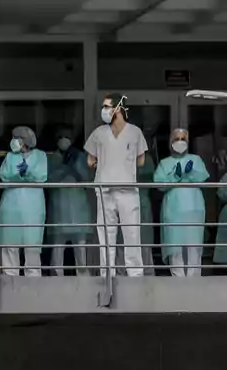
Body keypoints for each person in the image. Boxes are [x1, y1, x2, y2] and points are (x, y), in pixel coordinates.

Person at [85, 95, 148, 277]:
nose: (104, 111)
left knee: (132, 234)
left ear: (119, 108)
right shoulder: (98, 133)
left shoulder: (134, 132)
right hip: (104, 191)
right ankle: (107, 275)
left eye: (107, 107)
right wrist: (106, 165)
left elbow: (141, 160)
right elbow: (90, 160)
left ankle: (135, 275)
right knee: (105, 235)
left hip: (128, 190)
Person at [155, 128, 209, 277]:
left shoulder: (196, 160)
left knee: (194, 247)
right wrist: (175, 177)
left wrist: (190, 173)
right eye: (176, 139)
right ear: (170, 143)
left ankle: (194, 279)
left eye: (183, 139)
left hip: (194, 209)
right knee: (175, 247)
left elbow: (202, 177)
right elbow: (159, 184)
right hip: (173, 211)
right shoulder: (165, 163)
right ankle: (178, 279)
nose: (180, 142)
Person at [0, 126, 48, 276]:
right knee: (9, 244)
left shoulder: (40, 156)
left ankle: (33, 278)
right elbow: (4, 175)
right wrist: (19, 173)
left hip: (33, 206)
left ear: (24, 141)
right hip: (11, 206)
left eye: (16, 138)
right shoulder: (10, 157)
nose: (13, 141)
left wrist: (28, 172)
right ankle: (9, 277)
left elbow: (42, 176)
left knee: (32, 245)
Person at [46, 129, 95, 270]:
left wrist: (74, 167)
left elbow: (87, 179)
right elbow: (49, 179)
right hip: (59, 207)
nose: (63, 139)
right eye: (60, 136)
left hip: (78, 207)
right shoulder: (52, 158)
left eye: (67, 137)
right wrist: (63, 168)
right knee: (58, 246)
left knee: (80, 246)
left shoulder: (80, 157)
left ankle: (83, 275)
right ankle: (56, 277)